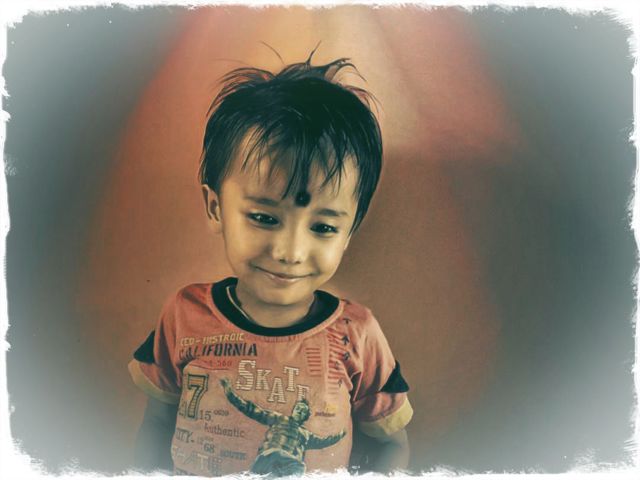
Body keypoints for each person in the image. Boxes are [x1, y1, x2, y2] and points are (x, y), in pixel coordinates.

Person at [129, 51, 413, 477]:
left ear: (350, 230)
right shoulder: (183, 316)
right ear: (216, 208)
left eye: (323, 227)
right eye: (264, 218)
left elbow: (390, 445)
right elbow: (156, 423)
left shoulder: (358, 336)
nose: (289, 252)